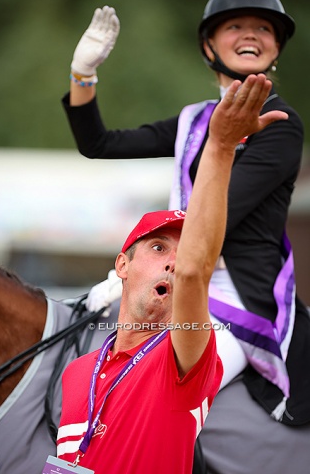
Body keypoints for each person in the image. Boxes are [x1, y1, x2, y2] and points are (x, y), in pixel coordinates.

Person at [61, 0, 310, 433]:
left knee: (164, 391)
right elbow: (98, 143)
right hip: (176, 276)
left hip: (235, 301)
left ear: (274, 49)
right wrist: (83, 74)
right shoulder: (195, 120)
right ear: (209, 47)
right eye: (235, 25)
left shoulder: (279, 122)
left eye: (264, 28)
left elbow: (219, 215)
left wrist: (139, 269)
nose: (251, 33)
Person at [51, 76, 287, 474]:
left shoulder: (182, 355)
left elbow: (194, 270)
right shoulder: (77, 373)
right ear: (121, 266)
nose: (175, 263)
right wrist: (82, 78)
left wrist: (222, 145)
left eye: (181, 254)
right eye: (159, 248)